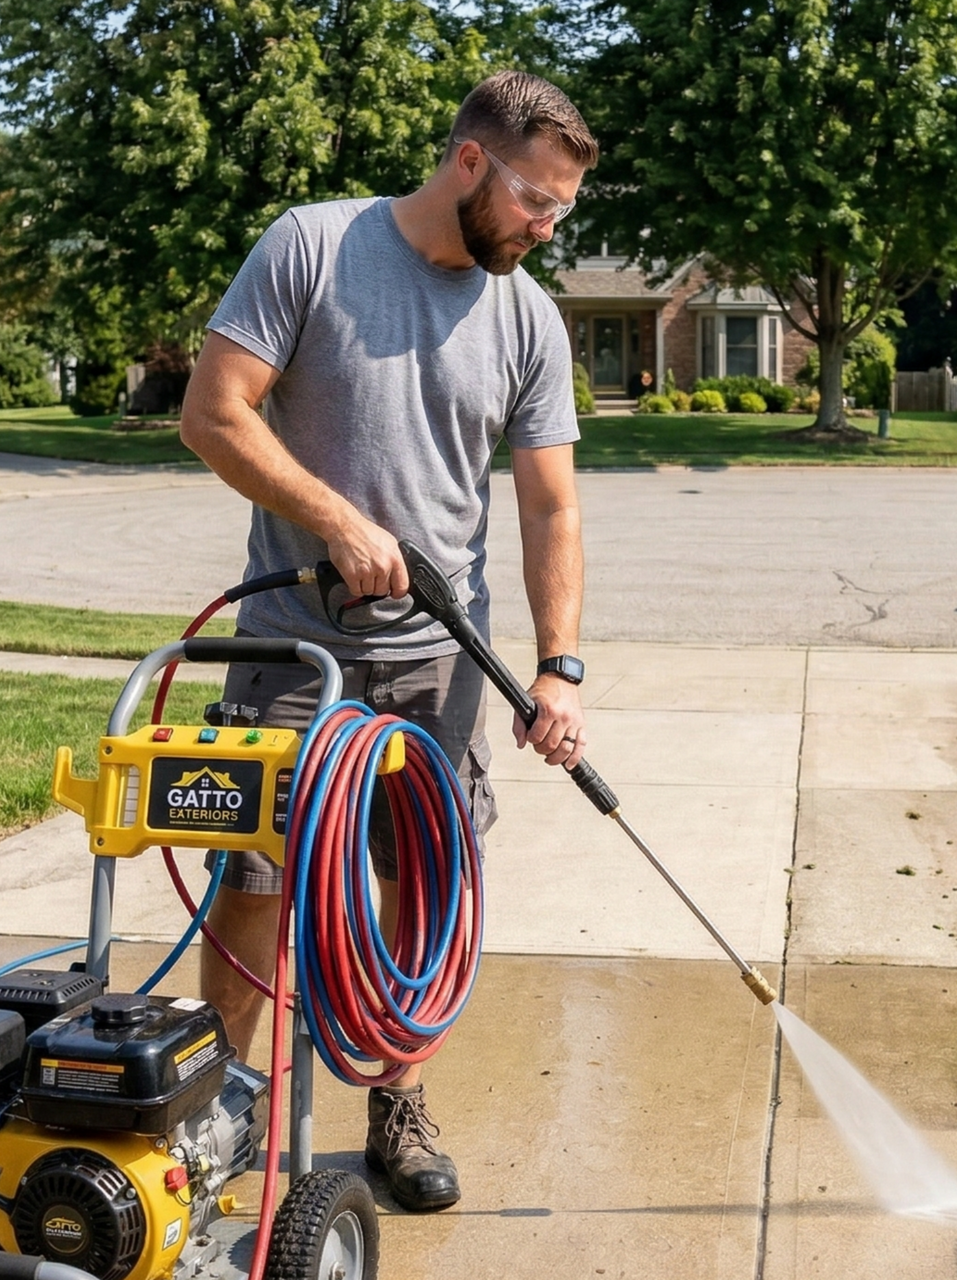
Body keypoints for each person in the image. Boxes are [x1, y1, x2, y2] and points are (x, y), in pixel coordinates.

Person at [177, 71, 597, 1213]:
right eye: (534, 201)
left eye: (563, 209)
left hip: (441, 652)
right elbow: (213, 410)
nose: (546, 227)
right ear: (471, 163)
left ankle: (397, 1104)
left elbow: (551, 506)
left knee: (427, 872)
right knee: (260, 873)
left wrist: (558, 664)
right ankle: (226, 1098)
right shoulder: (313, 247)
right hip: (291, 637)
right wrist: (338, 519)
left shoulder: (527, 316)